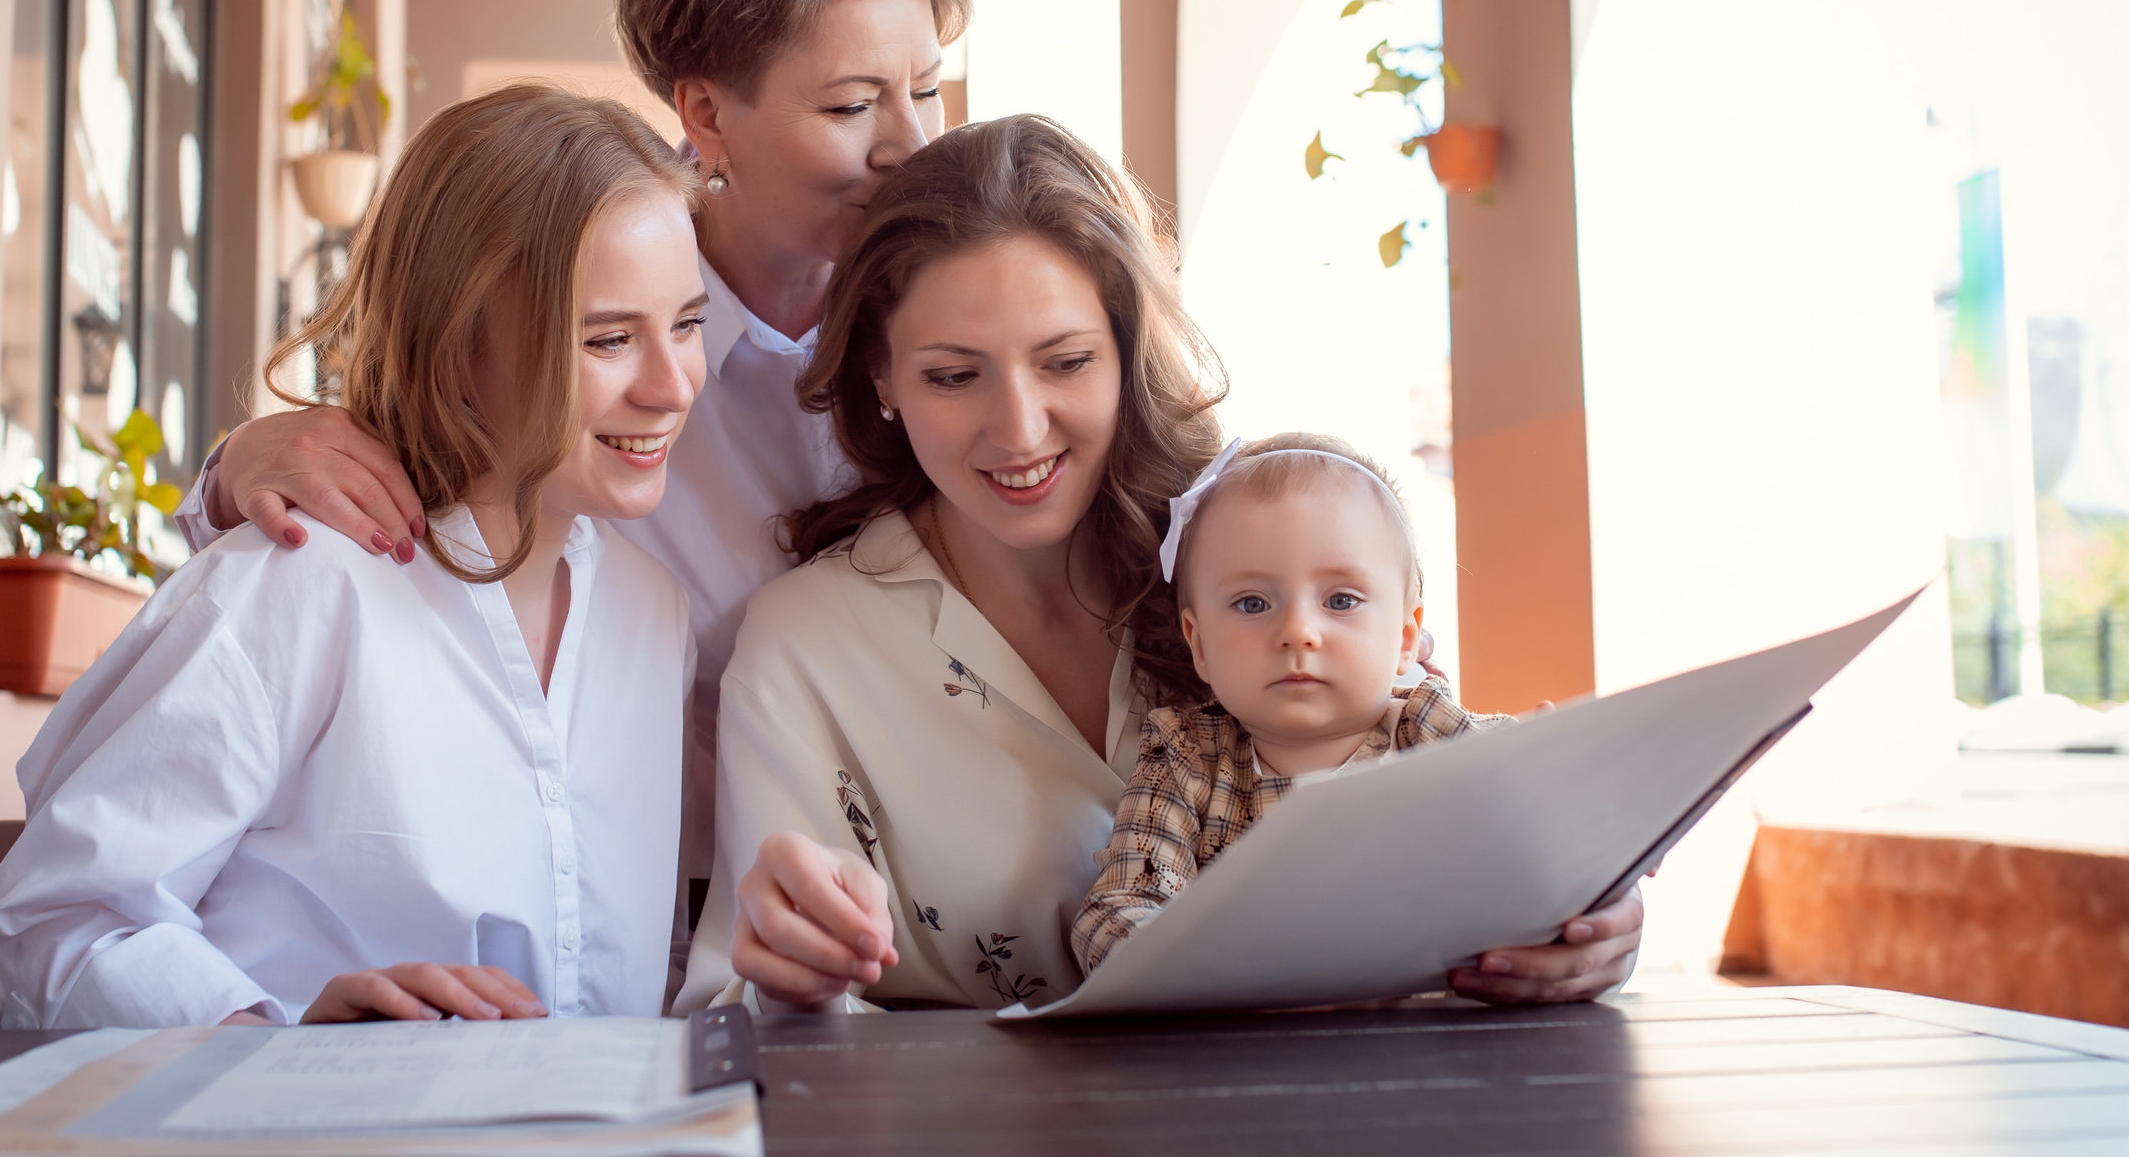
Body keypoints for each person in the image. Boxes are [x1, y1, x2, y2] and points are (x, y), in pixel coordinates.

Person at [171, 0, 973, 923]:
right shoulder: (572, 302)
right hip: (646, 899)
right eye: (850, 104)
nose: (908, 143)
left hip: (932, 884)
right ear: (702, 113)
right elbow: (387, 522)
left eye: (927, 89)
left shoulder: (962, 316)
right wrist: (232, 473)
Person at [684, 116, 1645, 1013]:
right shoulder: (805, 647)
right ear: (880, 376)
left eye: (1065, 362)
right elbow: (737, 1005)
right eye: (953, 374)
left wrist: (1585, 923)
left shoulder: (1256, 561)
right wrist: (793, 985)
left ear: (1128, 354)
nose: (1019, 428)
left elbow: (1448, 836)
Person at [0, 86, 706, 1029]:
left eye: (688, 323)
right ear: (456, 345)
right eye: (608, 338)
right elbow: (43, 932)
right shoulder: (298, 583)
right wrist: (277, 1041)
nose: (675, 385)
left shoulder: (655, 617)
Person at [1071, 433, 1510, 976]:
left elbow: (1558, 815)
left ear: (1403, 637)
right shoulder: (1187, 758)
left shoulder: (1428, 733)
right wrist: (1214, 972)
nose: (1298, 631)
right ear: (1200, 643)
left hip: (1432, 1042)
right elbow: (1116, 910)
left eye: (1341, 600)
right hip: (1246, 1043)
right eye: (1253, 603)